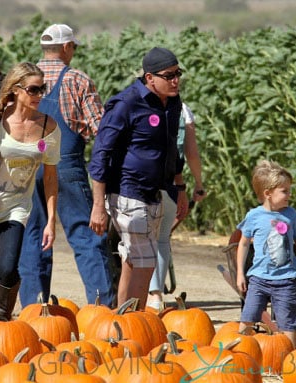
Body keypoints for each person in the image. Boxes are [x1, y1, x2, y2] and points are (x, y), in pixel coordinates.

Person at [19, 23, 115, 308]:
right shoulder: (77, 80)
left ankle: (33, 312)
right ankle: (101, 311)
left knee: (33, 238)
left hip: (25, 168)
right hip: (65, 165)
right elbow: (101, 130)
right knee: (87, 237)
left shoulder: (22, 79)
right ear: (66, 48)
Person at [88, 47, 186, 309]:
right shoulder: (126, 104)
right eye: (169, 75)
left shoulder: (173, 103)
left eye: (178, 73)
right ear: (149, 77)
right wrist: (98, 206)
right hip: (127, 192)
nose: (176, 80)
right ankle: (134, 321)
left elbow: (172, 148)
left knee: (135, 260)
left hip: (155, 193)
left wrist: (181, 187)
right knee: (145, 261)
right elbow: (100, 154)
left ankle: (125, 321)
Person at [0, 62, 60, 322]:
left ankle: (4, 322)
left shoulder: (48, 128)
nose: (40, 95)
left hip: (16, 207)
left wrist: (51, 221)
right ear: (16, 90)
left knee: (7, 270)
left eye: (43, 89)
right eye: (33, 89)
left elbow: (51, 178)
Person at [236, 160, 296, 348]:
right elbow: (243, 243)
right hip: (259, 279)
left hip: (286, 279)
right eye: (284, 191)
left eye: (289, 189)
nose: (289, 194)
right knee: (248, 317)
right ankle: (241, 354)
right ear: (268, 193)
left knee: (289, 322)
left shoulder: (291, 214)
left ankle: (289, 360)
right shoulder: (254, 216)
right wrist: (240, 273)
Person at [146, 102, 207, 309]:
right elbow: (191, 154)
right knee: (161, 239)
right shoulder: (182, 110)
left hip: (137, 181)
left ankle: (145, 293)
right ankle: (156, 296)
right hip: (171, 182)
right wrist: (198, 184)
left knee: (142, 239)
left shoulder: (134, 103)